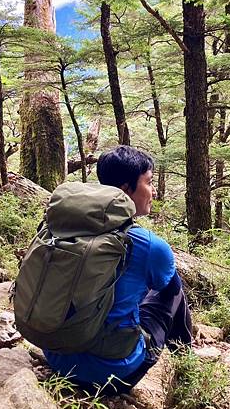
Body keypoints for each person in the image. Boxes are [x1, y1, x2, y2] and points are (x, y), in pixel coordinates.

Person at [43, 145, 192, 394]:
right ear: (125, 189)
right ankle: (187, 368)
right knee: (173, 289)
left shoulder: (62, 226)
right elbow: (166, 288)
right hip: (112, 374)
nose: (153, 191)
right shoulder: (148, 245)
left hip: (57, 358)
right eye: (149, 182)